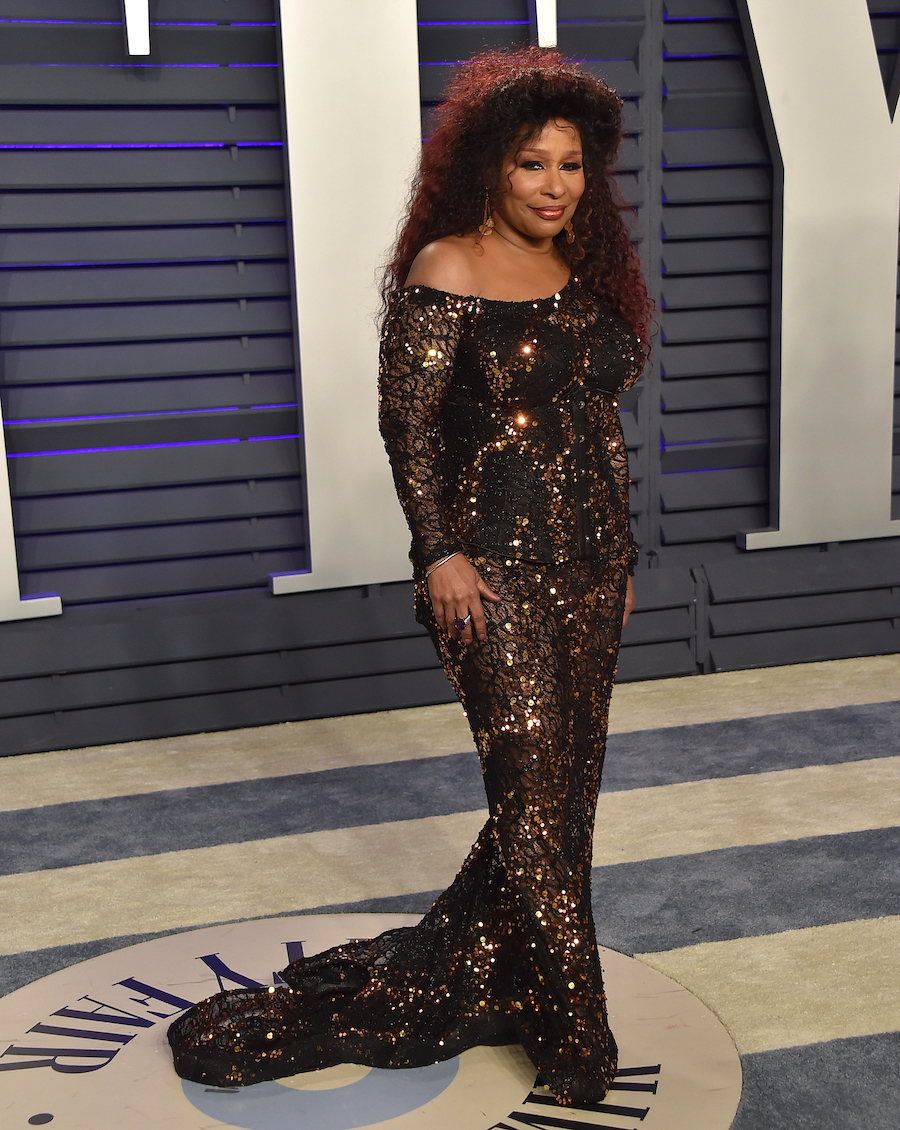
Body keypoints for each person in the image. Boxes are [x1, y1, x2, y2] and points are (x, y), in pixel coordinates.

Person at [168, 46, 650, 1108]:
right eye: (534, 163)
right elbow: (410, 429)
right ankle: (579, 1032)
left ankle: (500, 967)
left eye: (572, 164)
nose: (556, 185)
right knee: (530, 798)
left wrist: (621, 558)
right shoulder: (447, 266)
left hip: (587, 572)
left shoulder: (582, 271)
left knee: (564, 801)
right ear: (492, 164)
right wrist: (439, 550)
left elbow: (595, 431)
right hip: (490, 575)